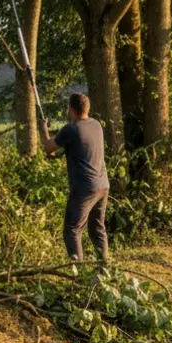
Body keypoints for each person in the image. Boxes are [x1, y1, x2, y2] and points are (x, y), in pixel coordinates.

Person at [42, 93, 109, 264]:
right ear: (87, 108)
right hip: (102, 185)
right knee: (97, 228)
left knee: (72, 229)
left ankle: (78, 273)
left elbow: (48, 147)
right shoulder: (96, 125)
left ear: (70, 109)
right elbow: (81, 148)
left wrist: (43, 128)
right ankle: (104, 268)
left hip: (84, 188)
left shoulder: (71, 129)